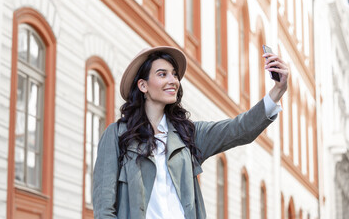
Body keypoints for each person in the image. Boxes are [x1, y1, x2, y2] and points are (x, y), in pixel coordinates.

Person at [92, 46, 289, 219]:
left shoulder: (189, 135)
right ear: (143, 85)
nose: (173, 80)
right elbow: (104, 208)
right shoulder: (117, 136)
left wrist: (277, 91)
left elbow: (240, 128)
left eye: (174, 74)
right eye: (162, 74)